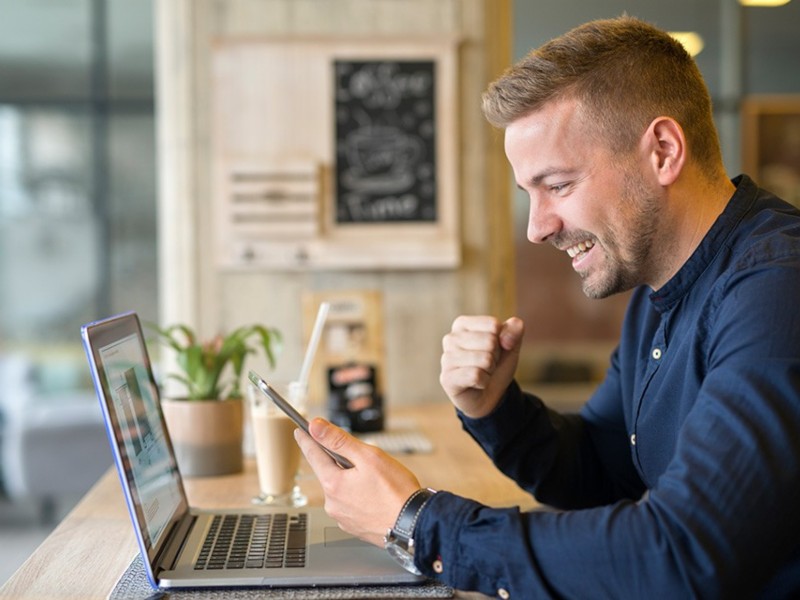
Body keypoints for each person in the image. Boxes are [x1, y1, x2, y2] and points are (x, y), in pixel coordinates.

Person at [295, 16, 800, 599]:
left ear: (663, 151)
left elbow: (681, 557)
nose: (536, 228)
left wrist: (417, 523)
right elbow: (604, 472)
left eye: (557, 185)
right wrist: (496, 411)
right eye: (528, 194)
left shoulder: (777, 287)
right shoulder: (660, 290)